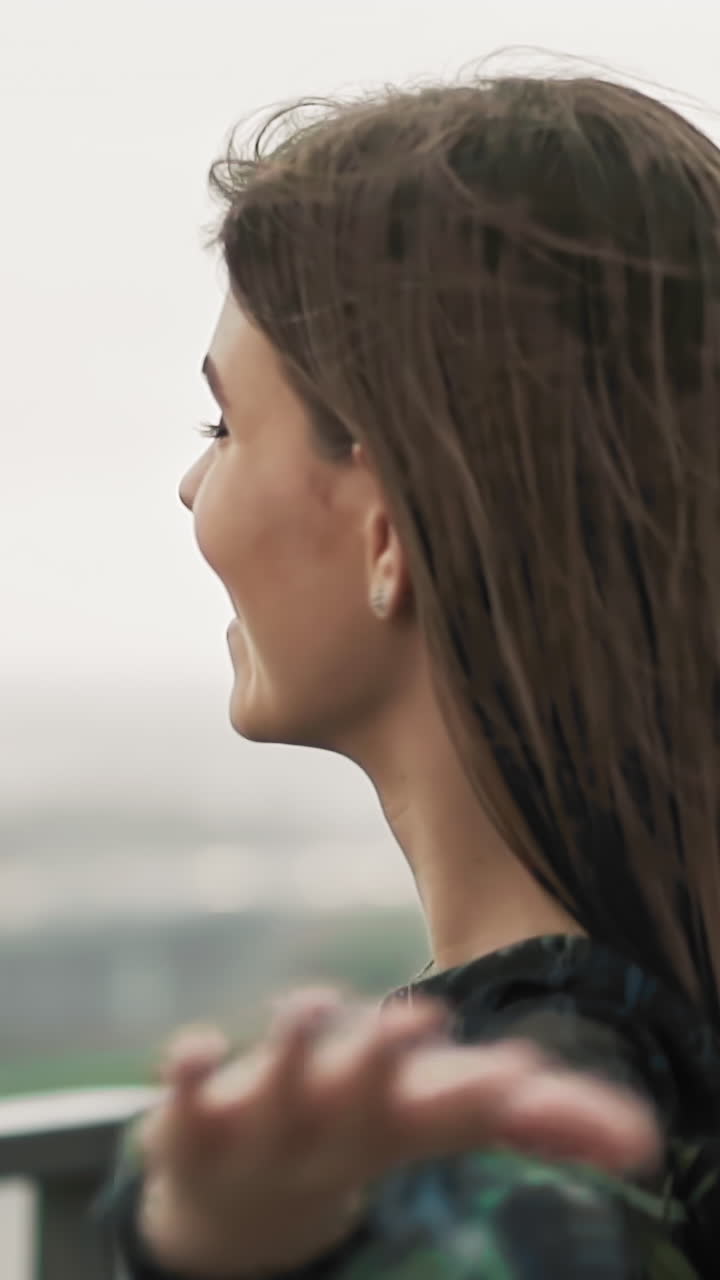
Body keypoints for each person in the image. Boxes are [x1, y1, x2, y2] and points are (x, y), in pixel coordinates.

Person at [101, 72, 720, 1277]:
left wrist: (224, 1248)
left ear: (390, 532)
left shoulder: (516, 1130)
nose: (193, 490)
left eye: (221, 428)